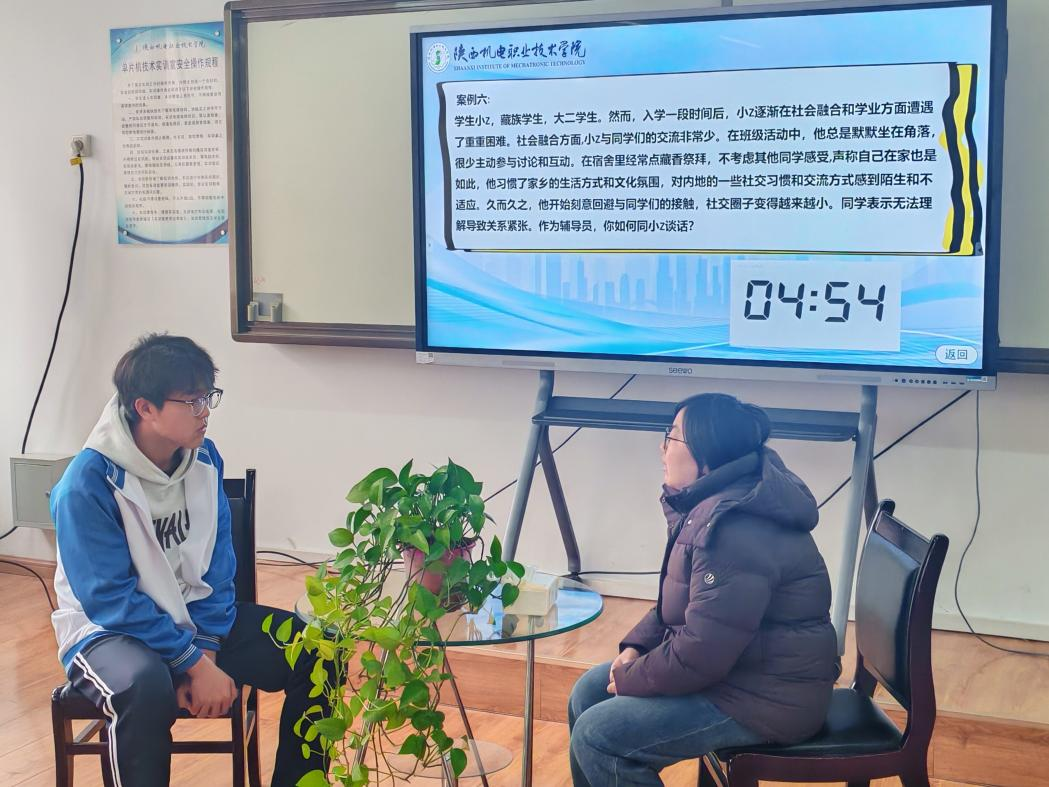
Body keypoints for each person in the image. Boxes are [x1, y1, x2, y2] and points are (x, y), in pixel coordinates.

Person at [50, 334, 326, 786]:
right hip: (109, 633)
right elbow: (109, 600)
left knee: (317, 651)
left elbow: (219, 565)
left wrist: (207, 649)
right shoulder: (88, 483)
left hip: (196, 620)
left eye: (208, 397)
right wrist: (191, 662)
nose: (205, 412)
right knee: (144, 687)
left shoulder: (206, 459)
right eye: (192, 401)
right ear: (145, 408)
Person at [568, 393, 838, 786]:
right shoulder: (714, 502)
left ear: (707, 455)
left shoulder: (734, 527)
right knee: (588, 692)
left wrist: (633, 677)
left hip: (765, 699)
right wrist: (635, 649)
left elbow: (703, 652)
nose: (662, 448)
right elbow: (680, 605)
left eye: (672, 436)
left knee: (599, 736)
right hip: (736, 674)